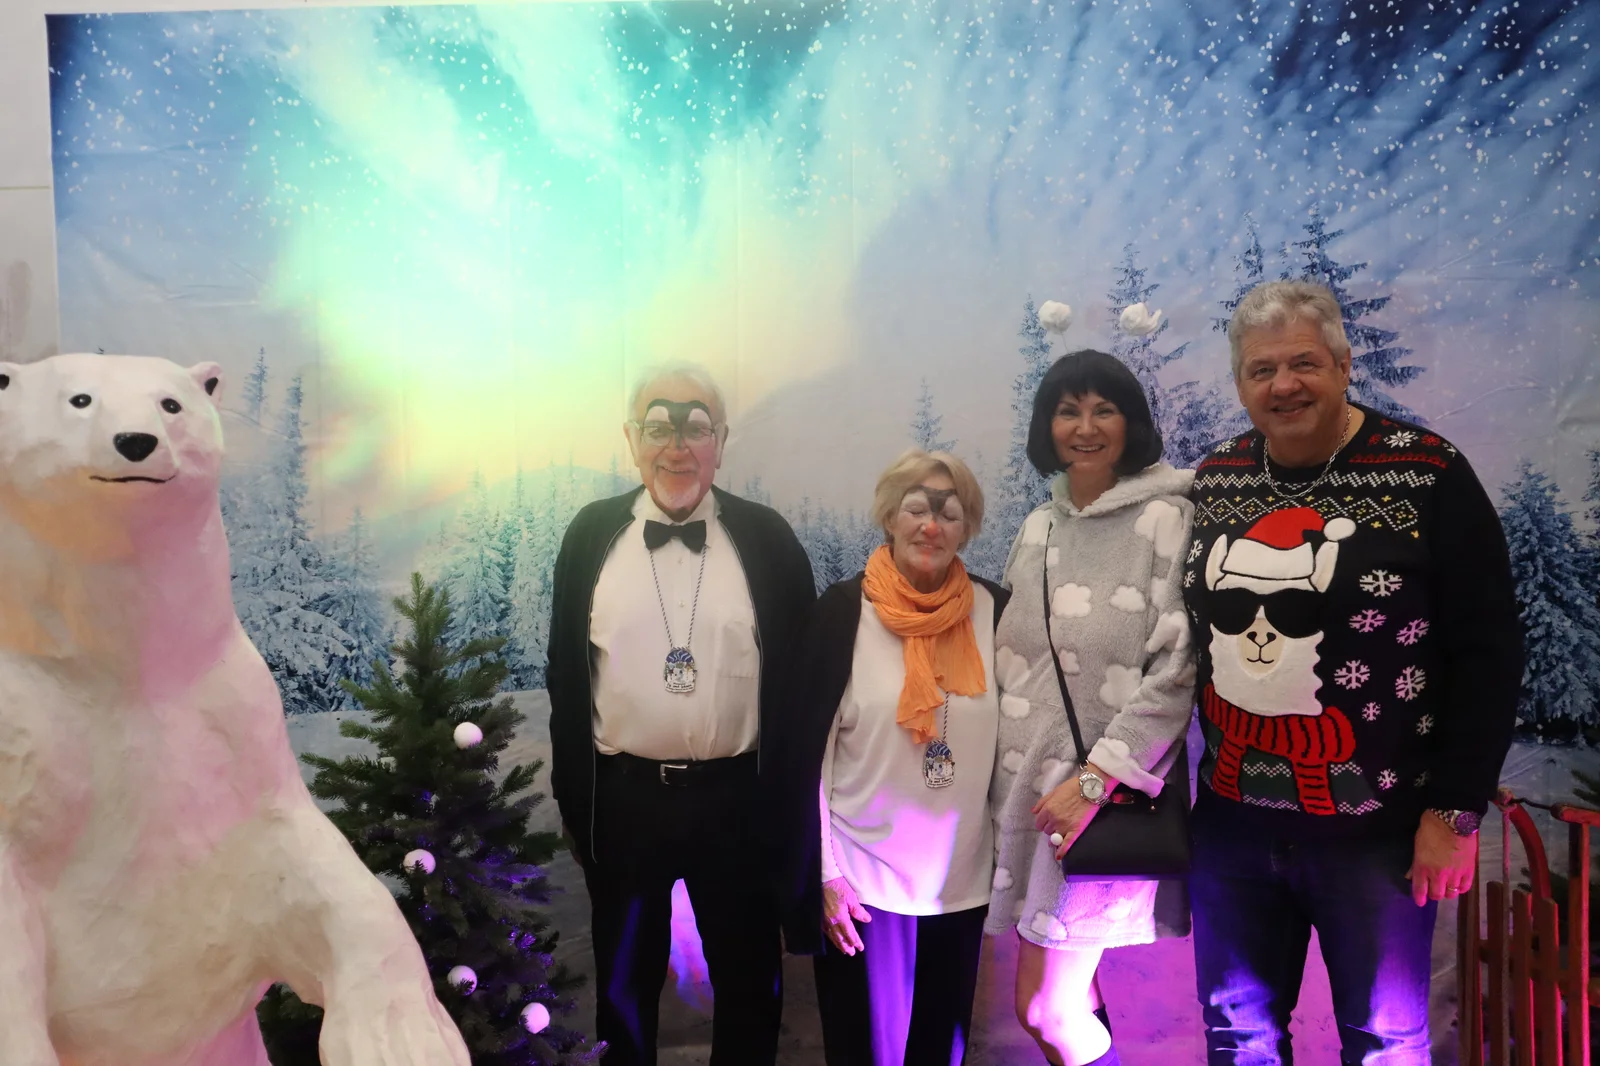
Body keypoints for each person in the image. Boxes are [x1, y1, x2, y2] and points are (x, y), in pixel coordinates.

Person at [1181, 280, 1523, 1064]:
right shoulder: (1216, 479)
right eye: (1262, 370)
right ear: (1240, 384)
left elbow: (1489, 651)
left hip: (1381, 836)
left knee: (1385, 1042)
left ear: (1342, 365)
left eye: (1304, 362)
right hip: (1232, 827)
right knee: (1237, 1036)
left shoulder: (1429, 473)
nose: (1284, 384)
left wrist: (1455, 811)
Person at [545, 364, 815, 1066]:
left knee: (750, 985)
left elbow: (800, 685)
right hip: (625, 800)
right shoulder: (590, 536)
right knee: (624, 988)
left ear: (720, 441)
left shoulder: (767, 539)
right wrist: (576, 801)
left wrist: (791, 812)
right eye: (658, 427)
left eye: (695, 428)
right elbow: (565, 676)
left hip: (737, 803)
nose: (676, 446)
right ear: (632, 439)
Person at [985, 349, 1198, 1066]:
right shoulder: (1037, 527)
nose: (1085, 426)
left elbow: (1177, 672)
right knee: (1068, 1001)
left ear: (1130, 421)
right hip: (1024, 797)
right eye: (1068, 410)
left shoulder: (1167, 519)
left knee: (1045, 1009)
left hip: (1098, 802)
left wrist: (1094, 782)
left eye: (1103, 409)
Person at [775, 448, 1006, 1066]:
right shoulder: (841, 614)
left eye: (949, 513)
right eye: (917, 508)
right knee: (865, 1054)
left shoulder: (995, 613)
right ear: (888, 516)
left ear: (966, 527)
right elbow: (807, 760)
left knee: (941, 1052)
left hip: (960, 883)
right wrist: (825, 877)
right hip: (862, 886)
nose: (931, 526)